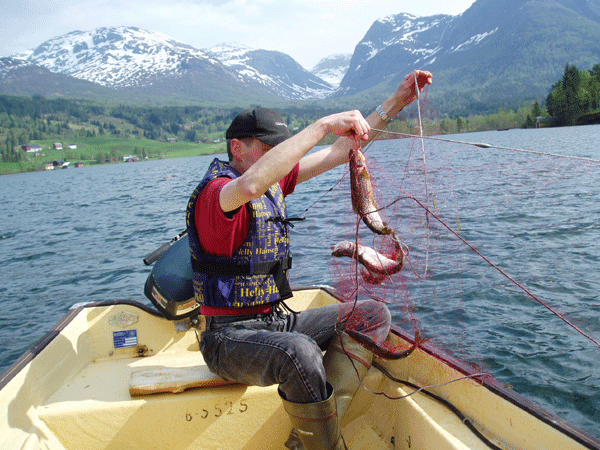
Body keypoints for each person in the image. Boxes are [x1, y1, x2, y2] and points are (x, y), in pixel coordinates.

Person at [186, 70, 433, 450]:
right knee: (298, 352)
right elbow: (250, 185)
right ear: (237, 148)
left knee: (372, 315)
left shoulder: (273, 181)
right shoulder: (217, 194)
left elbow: (340, 151)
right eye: (272, 148)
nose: (284, 157)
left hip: (274, 321)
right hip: (227, 339)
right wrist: (322, 124)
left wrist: (396, 102)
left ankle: (306, 441)